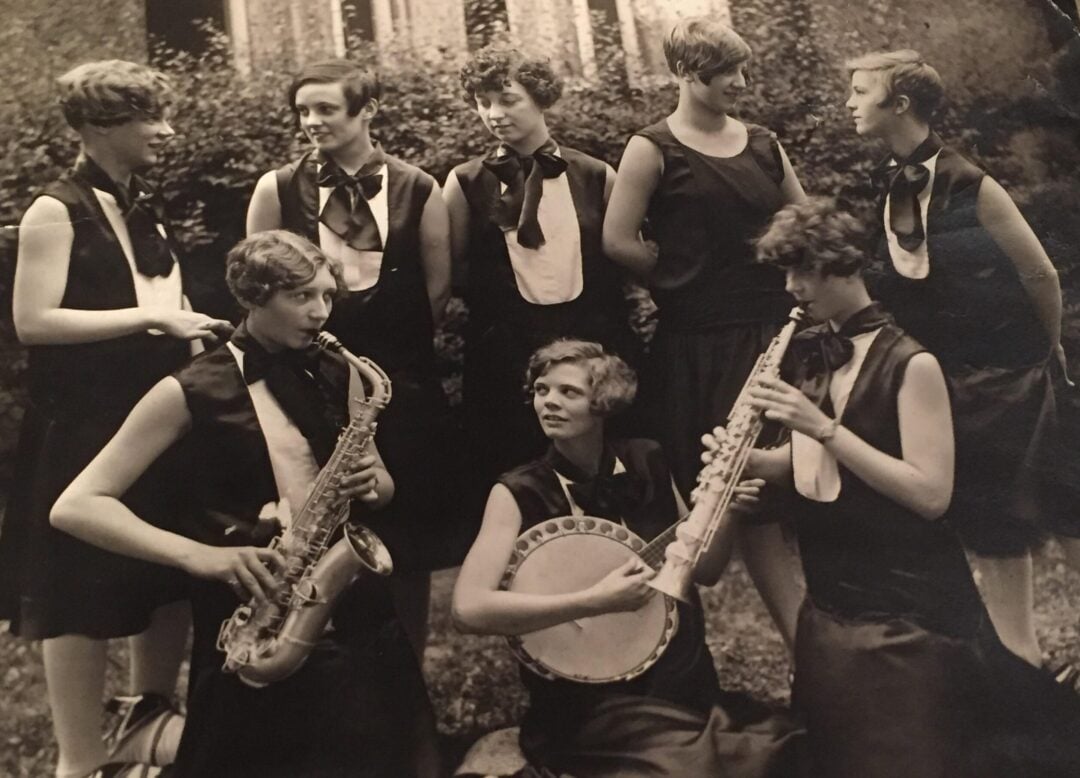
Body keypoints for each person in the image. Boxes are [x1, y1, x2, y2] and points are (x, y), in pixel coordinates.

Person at [51, 231, 443, 778]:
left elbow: (383, 483)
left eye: (327, 296)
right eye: (301, 297)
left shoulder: (338, 372)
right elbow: (77, 505)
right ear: (254, 296)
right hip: (252, 610)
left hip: (353, 604)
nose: (320, 312)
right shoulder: (188, 389)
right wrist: (198, 556)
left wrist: (372, 483)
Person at [730, 197, 1080, 777]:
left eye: (802, 271)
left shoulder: (913, 364)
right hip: (831, 601)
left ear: (842, 266)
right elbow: (822, 464)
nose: (791, 288)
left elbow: (929, 493)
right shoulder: (814, 351)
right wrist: (753, 465)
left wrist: (819, 425)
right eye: (785, 273)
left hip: (907, 610)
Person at [0, 60, 233, 778]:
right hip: (83, 425)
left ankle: (146, 727)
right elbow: (31, 321)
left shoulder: (141, 201)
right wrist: (153, 318)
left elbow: (153, 301)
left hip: (155, 418)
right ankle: (79, 760)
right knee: (76, 592)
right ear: (101, 128)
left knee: (159, 571)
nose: (166, 130)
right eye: (149, 119)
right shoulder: (54, 208)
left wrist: (195, 333)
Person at [452, 339, 802, 778]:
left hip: (677, 677)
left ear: (604, 403)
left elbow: (706, 571)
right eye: (542, 390)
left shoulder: (646, 458)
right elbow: (468, 609)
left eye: (569, 393)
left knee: (788, 751)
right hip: (589, 701)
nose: (549, 403)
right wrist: (593, 601)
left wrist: (726, 509)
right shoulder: (516, 491)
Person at [845, 49, 1080, 669]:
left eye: (860, 90)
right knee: (993, 522)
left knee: (1055, 511)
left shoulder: (972, 184)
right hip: (950, 380)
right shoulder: (890, 181)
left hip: (1008, 378)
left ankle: (1026, 660)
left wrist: (1045, 352)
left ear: (900, 105)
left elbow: (1041, 273)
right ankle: (1019, 659)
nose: (848, 101)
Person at [602, 17, 806, 653]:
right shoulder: (652, 147)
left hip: (774, 337)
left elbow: (804, 221)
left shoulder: (765, 144)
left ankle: (814, 658)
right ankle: (667, 663)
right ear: (687, 75)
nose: (741, 84)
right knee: (709, 520)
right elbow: (616, 239)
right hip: (697, 346)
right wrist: (679, 276)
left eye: (743, 71)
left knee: (775, 507)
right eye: (727, 75)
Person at [246, 58, 453, 658]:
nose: (311, 122)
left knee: (403, 542)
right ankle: (302, 664)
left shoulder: (420, 187)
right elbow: (256, 285)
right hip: (300, 379)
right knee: (303, 531)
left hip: (399, 385)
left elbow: (436, 291)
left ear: (368, 110)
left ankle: (404, 674)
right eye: (303, 111)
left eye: (326, 109)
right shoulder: (276, 188)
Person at [444, 46, 641, 523]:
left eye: (507, 99)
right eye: (482, 100)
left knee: (610, 476)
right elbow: (452, 273)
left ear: (540, 97)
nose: (493, 113)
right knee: (516, 482)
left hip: (595, 349)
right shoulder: (465, 183)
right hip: (505, 362)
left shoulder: (597, 176)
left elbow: (627, 266)